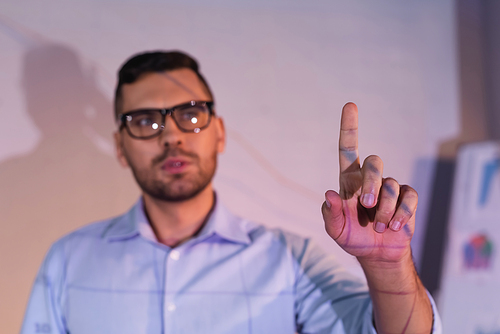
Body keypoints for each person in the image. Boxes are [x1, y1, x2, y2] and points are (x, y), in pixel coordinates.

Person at [21, 51, 441, 333]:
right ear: (119, 146)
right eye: (146, 121)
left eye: (190, 115)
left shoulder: (288, 261)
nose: (172, 137)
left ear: (219, 134)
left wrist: (387, 267)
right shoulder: (68, 262)